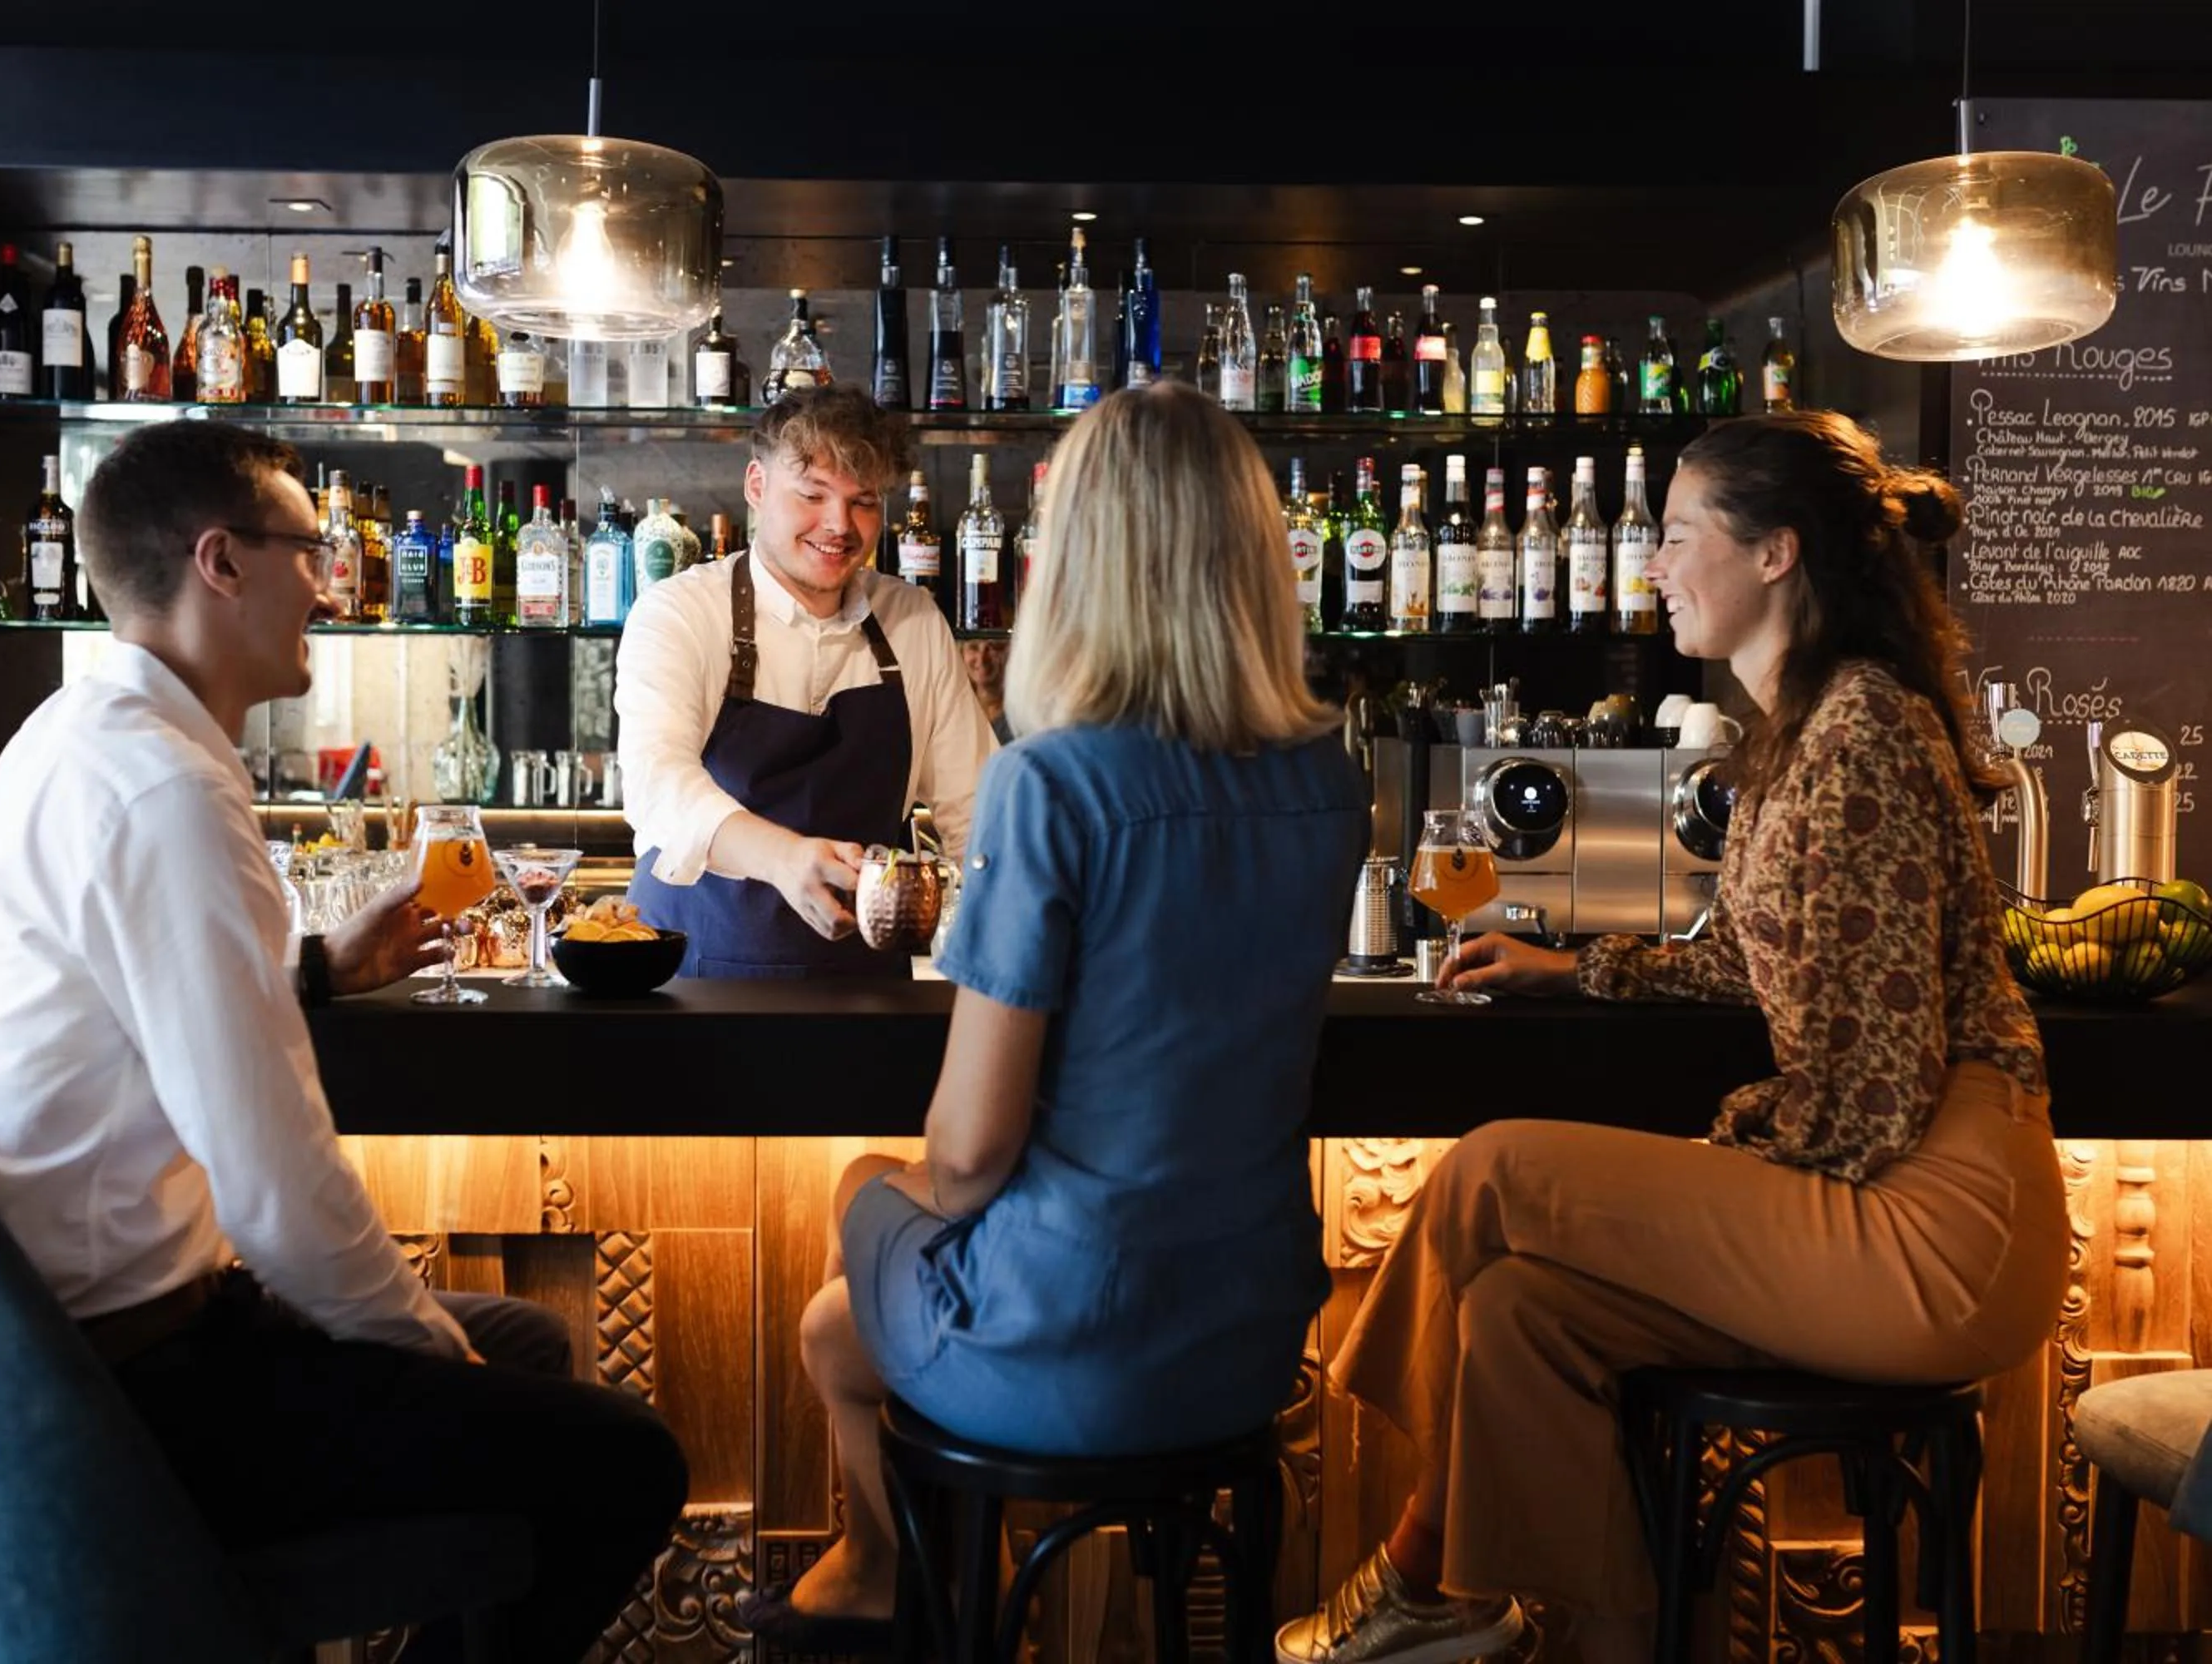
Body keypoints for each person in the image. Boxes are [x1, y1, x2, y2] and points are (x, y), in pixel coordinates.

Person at [1277, 411, 2064, 1664]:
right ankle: (1595, 1633)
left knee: (1495, 1169)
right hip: (1883, 1185)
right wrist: (1580, 969)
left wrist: (1726, 1143)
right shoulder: (1806, 726)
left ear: (1775, 555)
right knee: (1522, 1314)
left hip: (1933, 1221)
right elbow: (1754, 964)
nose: (1648, 563)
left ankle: (1423, 1577)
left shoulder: (1858, 734)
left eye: (1675, 532)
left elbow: (1873, 1088)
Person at [0, 421, 685, 1663]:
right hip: (117, 1400)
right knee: (628, 1461)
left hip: (24, 1358)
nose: (334, 583)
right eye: (311, 552)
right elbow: (273, 1187)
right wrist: (427, 1357)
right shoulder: (168, 788)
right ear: (220, 562)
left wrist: (316, 969)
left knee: (529, 1346)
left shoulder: (69, 737)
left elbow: (131, 1005)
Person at [747, 381, 1370, 1650]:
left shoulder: (1053, 786)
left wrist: (901, 1184)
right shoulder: (1329, 779)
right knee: (841, 1315)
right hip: (1251, 1335)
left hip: (1078, 1327)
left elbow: (971, 1158)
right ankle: (943, 1582)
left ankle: (913, 1583)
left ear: (1078, 561)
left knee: (867, 1201)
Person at [616, 386, 997, 977]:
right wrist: (784, 858)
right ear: (757, 486)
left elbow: (976, 813)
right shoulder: (682, 612)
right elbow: (657, 786)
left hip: (866, 995)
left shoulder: (913, 621)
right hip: (686, 983)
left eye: (864, 501)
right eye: (813, 495)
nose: (839, 525)